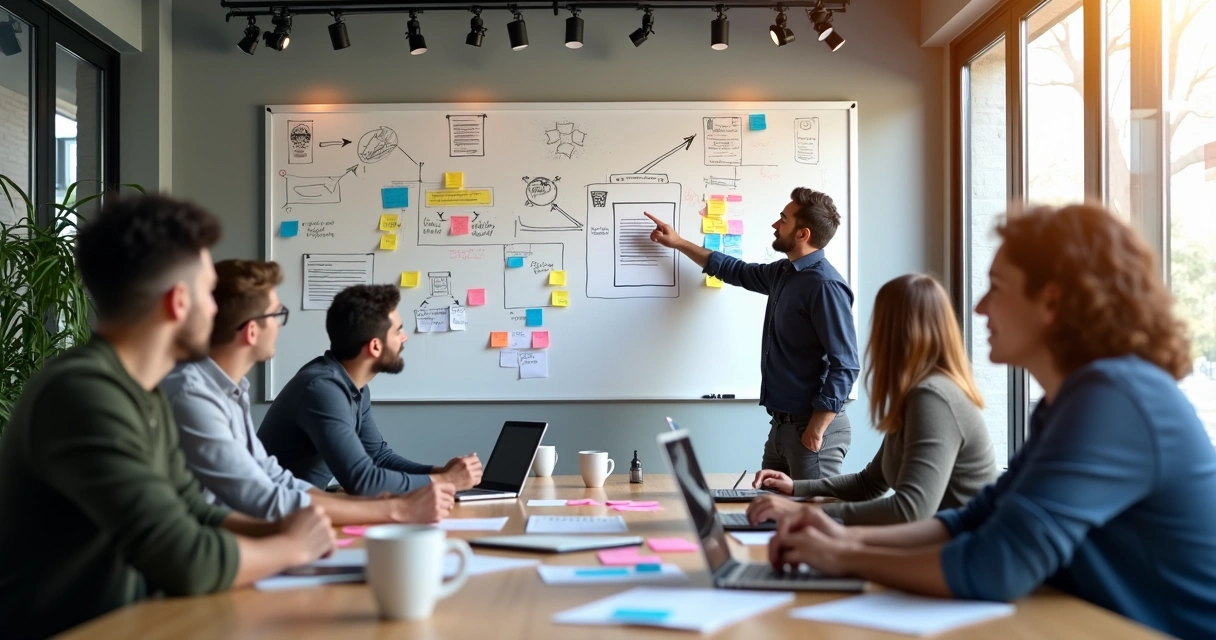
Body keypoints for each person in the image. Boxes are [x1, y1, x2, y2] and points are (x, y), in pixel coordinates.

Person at [760, 204, 1216, 640]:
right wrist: (840, 541)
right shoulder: (1067, 402)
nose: (979, 308)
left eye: (997, 286)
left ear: (1051, 300)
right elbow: (976, 518)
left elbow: (996, 564)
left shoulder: (1115, 398)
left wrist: (843, 554)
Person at [0, 194, 334, 639]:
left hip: (135, 622)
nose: (217, 309)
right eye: (207, 292)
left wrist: (280, 527)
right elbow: (181, 555)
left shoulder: (146, 392)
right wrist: (290, 546)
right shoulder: (82, 392)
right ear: (178, 302)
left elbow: (191, 510)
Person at [163, 259, 456, 524]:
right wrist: (399, 508)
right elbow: (261, 496)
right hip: (224, 538)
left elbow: (275, 478)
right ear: (252, 331)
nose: (280, 326)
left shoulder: (232, 390)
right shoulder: (194, 395)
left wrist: (431, 483)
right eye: (277, 316)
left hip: (260, 524)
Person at [747, 274, 997, 525]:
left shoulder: (933, 398)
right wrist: (796, 488)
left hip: (962, 556)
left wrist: (804, 513)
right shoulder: (917, 395)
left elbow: (910, 510)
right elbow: (868, 484)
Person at [645, 187, 859, 480]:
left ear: (802, 234)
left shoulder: (825, 286)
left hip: (812, 429)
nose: (775, 224)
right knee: (769, 515)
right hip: (782, 427)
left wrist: (817, 428)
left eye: (783, 219)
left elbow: (846, 365)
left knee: (814, 520)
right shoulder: (785, 272)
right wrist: (679, 242)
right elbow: (735, 270)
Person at [259, 284, 483, 496]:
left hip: (297, 510)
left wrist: (442, 472)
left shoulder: (353, 387)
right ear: (375, 346)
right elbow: (362, 481)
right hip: (269, 519)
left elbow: (378, 457)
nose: (404, 337)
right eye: (398, 331)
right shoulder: (321, 389)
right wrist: (447, 481)